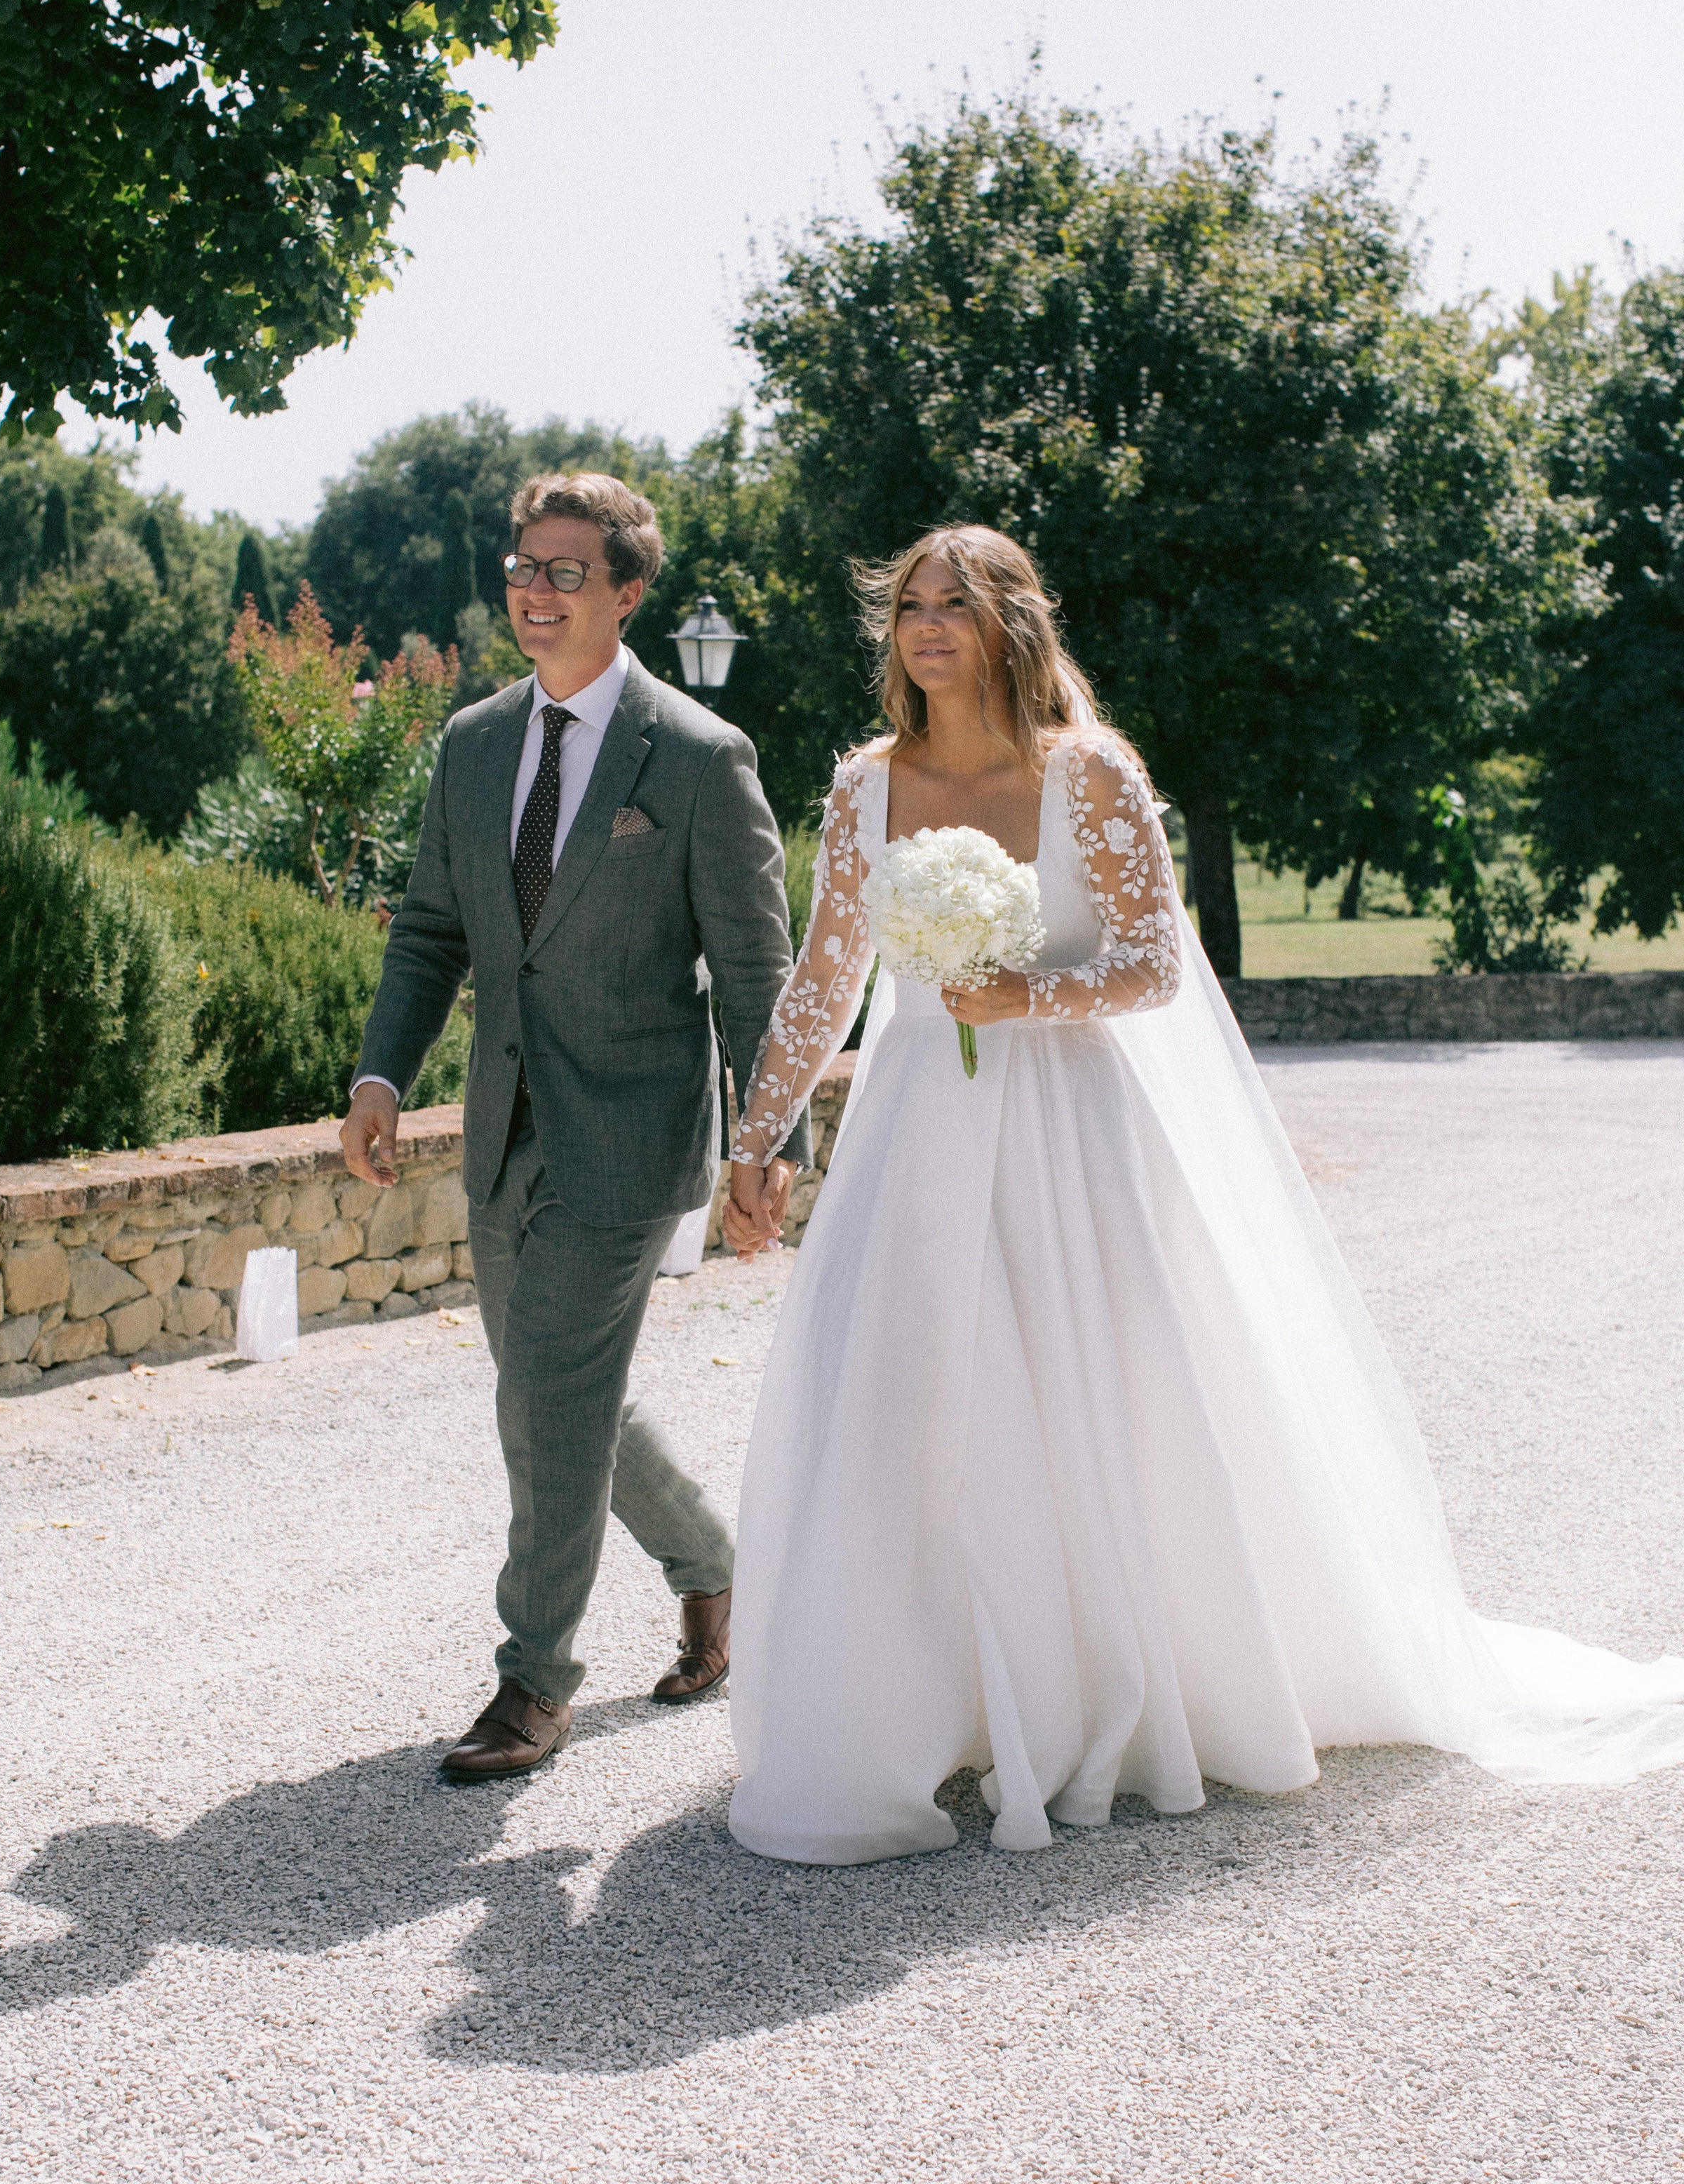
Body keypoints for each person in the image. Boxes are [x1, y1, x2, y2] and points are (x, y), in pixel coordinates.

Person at [719, 522, 1684, 1865]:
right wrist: (758, 1140)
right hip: (917, 1134)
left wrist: (1021, 996)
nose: (925, 628)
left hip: (1072, 1134)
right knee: (897, 1395)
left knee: (1090, 1396)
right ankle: (915, 1708)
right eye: (908, 608)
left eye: (954, 604)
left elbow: (1154, 964)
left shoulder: (1090, 773)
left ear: (1011, 623)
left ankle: (1108, 1683)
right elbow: (825, 976)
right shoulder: (865, 786)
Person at [341, 471, 807, 1778]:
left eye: (563, 572)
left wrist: (765, 1150)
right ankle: (715, 1567)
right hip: (502, 1122)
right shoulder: (474, 743)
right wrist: (383, 1077)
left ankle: (534, 1684)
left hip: (632, 1131)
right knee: (560, 1392)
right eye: (521, 568)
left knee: (545, 1392)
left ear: (628, 592)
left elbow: (758, 971)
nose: (533, 593)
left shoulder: (703, 758)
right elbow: (432, 932)